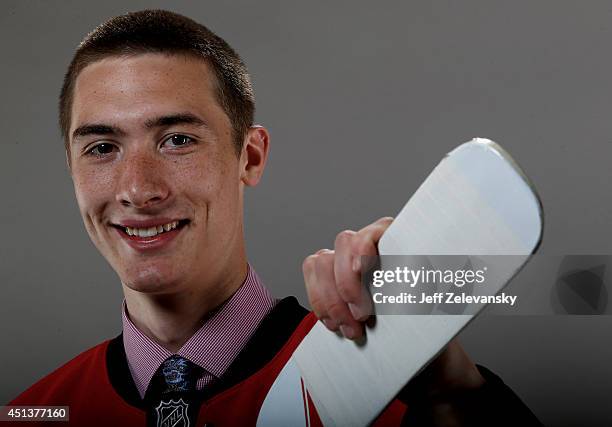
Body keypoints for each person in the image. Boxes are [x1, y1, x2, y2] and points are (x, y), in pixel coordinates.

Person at [9, 9, 541, 426]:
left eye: (177, 140)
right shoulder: (33, 414)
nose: (137, 189)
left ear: (251, 156)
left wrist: (451, 397)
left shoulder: (395, 394)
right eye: (101, 148)